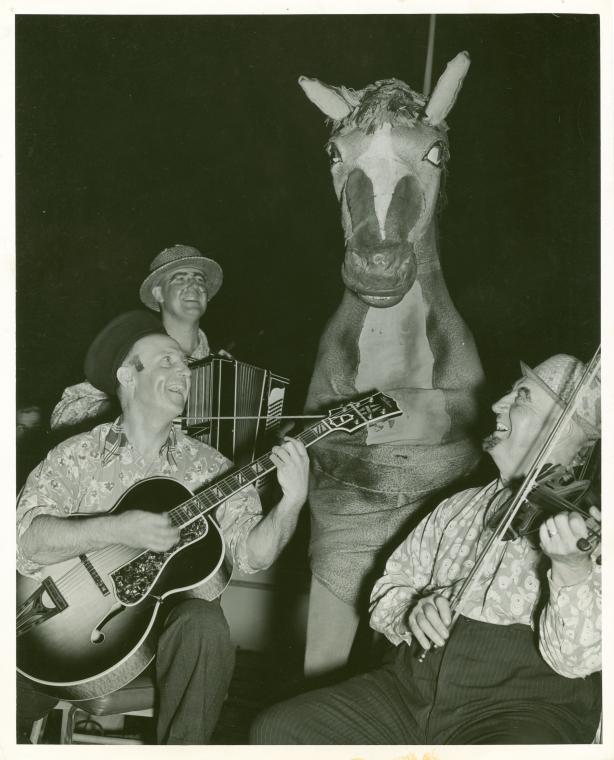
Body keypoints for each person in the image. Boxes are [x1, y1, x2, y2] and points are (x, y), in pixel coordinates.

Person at [250, 354, 601, 745]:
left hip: (519, 708)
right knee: (280, 731)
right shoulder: (458, 507)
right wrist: (412, 610)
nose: (496, 405)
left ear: (564, 427)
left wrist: (572, 569)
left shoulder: (594, 525)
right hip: (409, 689)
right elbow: (390, 585)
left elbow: (576, 660)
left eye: (520, 396)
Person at [17, 310, 309, 744]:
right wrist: (118, 529)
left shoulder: (213, 469)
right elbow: (25, 541)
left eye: (185, 363)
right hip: (54, 628)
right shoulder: (77, 454)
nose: (184, 371)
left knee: (205, 621)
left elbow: (254, 555)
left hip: (166, 640)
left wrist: (292, 501)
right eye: (166, 361)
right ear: (127, 376)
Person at [50, 244, 224, 431]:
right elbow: (62, 417)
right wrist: (125, 403)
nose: (193, 286)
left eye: (200, 279)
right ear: (158, 293)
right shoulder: (132, 354)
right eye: (179, 279)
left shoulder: (224, 368)